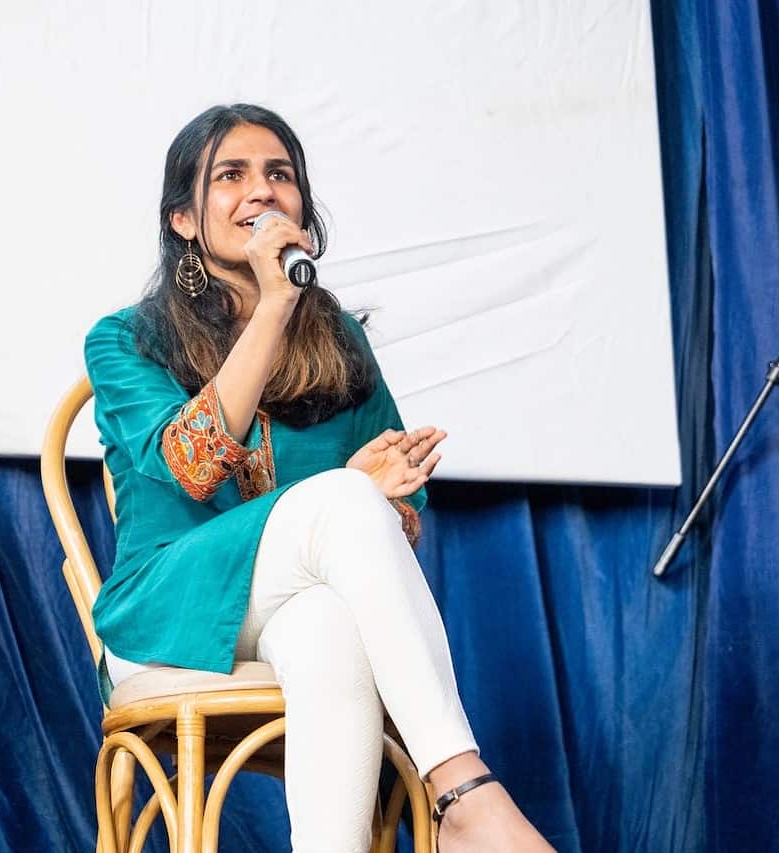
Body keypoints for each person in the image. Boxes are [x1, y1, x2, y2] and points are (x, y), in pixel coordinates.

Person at [84, 104, 553, 852]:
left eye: (280, 175)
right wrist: (277, 306)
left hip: (286, 606)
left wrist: (384, 492)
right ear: (182, 219)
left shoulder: (337, 340)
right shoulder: (123, 341)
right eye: (231, 176)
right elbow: (195, 468)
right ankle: (463, 794)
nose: (262, 193)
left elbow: (394, 523)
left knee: (332, 623)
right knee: (342, 496)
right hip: (164, 617)